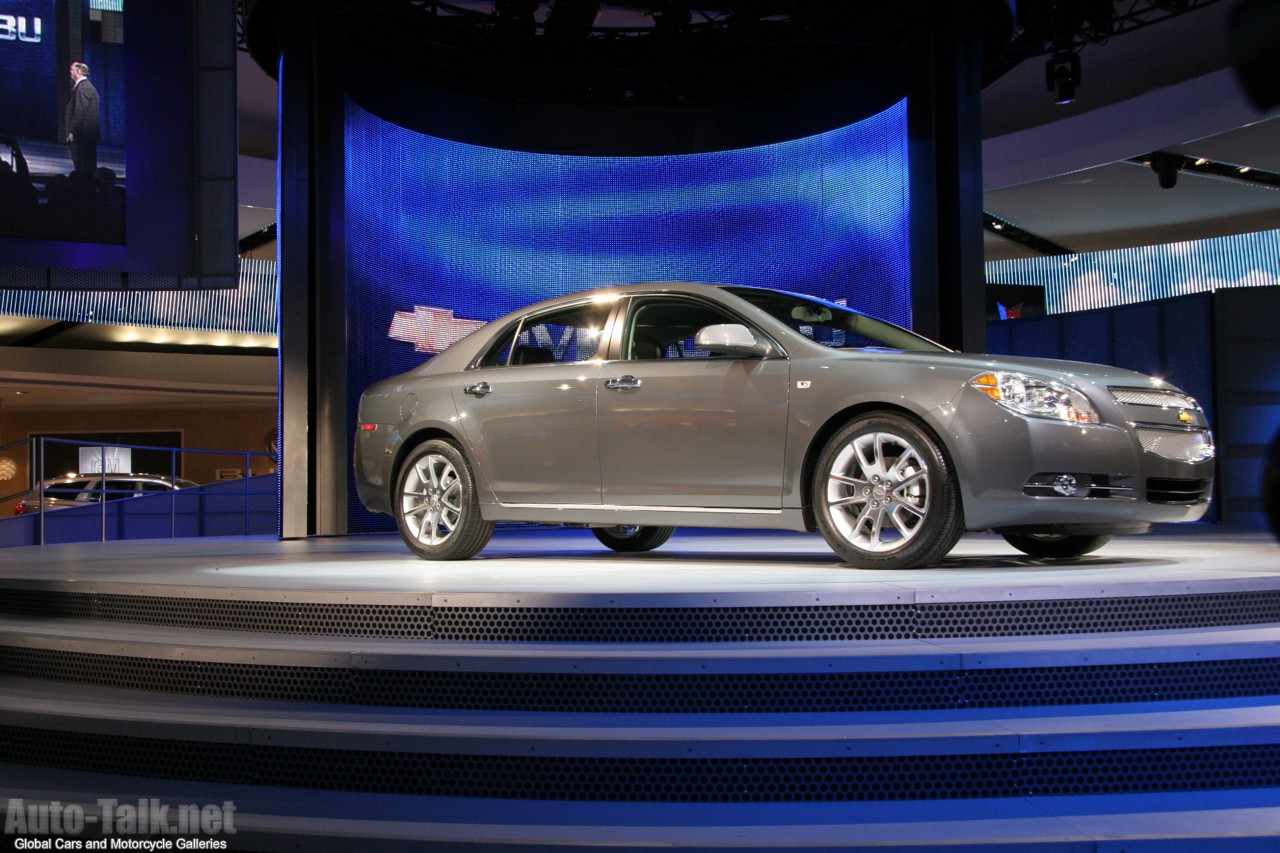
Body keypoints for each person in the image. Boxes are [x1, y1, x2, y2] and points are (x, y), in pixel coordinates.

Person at [65, 61, 100, 177]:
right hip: (86, 135)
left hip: (82, 135)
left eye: (72, 69)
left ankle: (82, 189)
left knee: (82, 166)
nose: (70, 72)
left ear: (79, 72)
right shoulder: (87, 87)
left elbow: (79, 112)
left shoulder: (83, 88)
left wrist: (72, 131)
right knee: (87, 166)